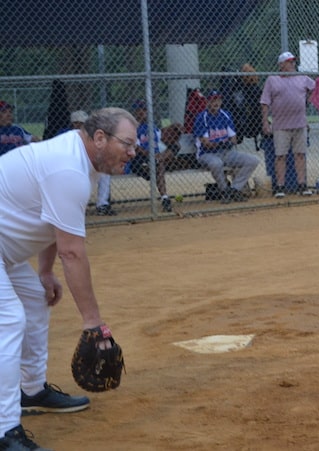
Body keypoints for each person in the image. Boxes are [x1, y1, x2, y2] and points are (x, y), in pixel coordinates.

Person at [0, 107, 134, 450]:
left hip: (6, 253)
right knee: (9, 320)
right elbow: (72, 252)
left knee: (34, 299)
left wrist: (44, 272)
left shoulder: (78, 159)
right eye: (128, 144)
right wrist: (94, 323)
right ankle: (4, 430)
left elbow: (52, 224)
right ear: (100, 138)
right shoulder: (69, 168)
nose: (134, 152)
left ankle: (31, 391)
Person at [260, 51, 316, 198]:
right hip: (281, 125)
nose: (293, 64)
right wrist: (265, 122)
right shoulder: (272, 80)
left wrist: (306, 101)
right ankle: (280, 187)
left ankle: (302, 185)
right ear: (281, 65)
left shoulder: (302, 77)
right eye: (289, 62)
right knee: (280, 156)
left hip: (300, 123)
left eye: (293, 62)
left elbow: (314, 88)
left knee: (300, 155)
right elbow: (265, 102)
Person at [193, 89, 260, 204]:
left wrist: (223, 143)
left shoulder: (226, 115)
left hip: (226, 153)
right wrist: (222, 142)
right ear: (207, 102)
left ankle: (234, 189)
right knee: (216, 163)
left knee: (253, 160)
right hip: (206, 154)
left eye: (218, 99)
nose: (216, 102)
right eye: (213, 100)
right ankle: (224, 190)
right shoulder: (201, 118)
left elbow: (233, 139)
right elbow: (206, 143)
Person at [126, 99, 173, 212]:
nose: (142, 112)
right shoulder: (132, 127)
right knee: (157, 166)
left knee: (171, 151)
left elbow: (160, 142)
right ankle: (154, 175)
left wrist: (171, 136)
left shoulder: (152, 125)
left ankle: (165, 198)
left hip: (155, 156)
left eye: (144, 110)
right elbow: (136, 148)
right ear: (135, 112)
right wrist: (152, 155)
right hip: (138, 157)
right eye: (139, 110)